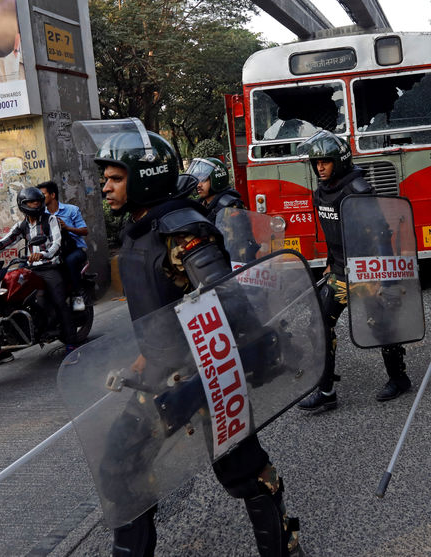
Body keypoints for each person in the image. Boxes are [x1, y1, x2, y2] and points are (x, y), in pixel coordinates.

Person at [93, 124, 301, 557]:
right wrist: (146, 351)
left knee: (241, 469)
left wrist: (237, 361)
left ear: (143, 176)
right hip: (159, 373)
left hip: (206, 370)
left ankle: (284, 548)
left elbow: (228, 302)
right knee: (119, 468)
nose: (105, 186)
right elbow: (162, 306)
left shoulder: (182, 230)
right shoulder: (140, 228)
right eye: (105, 177)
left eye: (115, 177)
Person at [294, 130, 412, 412]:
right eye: (316, 162)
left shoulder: (358, 191)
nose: (319, 167)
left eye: (325, 161)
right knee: (321, 323)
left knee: (380, 326)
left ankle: (399, 378)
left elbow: (382, 236)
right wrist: (329, 260)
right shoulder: (321, 191)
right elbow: (332, 233)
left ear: (339, 161)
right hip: (339, 271)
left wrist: (388, 280)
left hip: (366, 272)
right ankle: (326, 391)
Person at [0, 187, 76, 353]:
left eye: (38, 201)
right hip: (30, 267)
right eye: (31, 202)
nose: (35, 204)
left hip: (50, 266)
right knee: (6, 294)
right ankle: (4, 344)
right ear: (23, 204)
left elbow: (56, 243)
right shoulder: (22, 226)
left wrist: (43, 254)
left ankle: (71, 340)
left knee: (59, 301)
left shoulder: (51, 220)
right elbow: (3, 243)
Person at [38, 180, 89, 312]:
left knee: (69, 261)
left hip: (75, 249)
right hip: (54, 251)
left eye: (43, 194)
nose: (40, 198)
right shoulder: (41, 215)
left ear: (53, 195)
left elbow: (84, 230)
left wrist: (67, 227)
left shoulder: (71, 210)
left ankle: (78, 296)